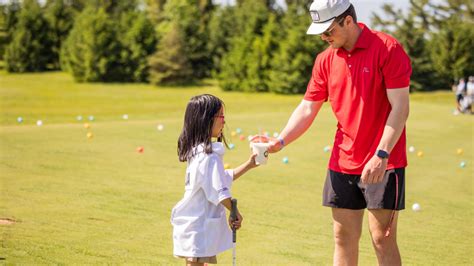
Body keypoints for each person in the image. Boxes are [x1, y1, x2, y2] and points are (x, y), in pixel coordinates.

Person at [264, 1, 411, 265]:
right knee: (343, 238)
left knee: (382, 238)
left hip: (384, 161)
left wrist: (382, 153)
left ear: (348, 21)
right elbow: (308, 107)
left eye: (328, 30)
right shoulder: (325, 59)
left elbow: (400, 107)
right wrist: (281, 140)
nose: (323, 37)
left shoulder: (387, 48)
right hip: (342, 162)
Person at [171, 94, 259, 265]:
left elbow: (221, 178)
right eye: (221, 116)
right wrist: (235, 212)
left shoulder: (198, 152)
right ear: (206, 120)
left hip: (196, 223)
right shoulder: (208, 157)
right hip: (199, 225)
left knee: (197, 263)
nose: (224, 122)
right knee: (195, 263)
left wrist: (248, 165)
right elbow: (219, 191)